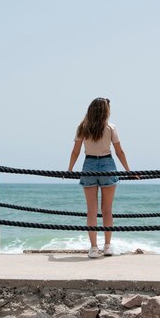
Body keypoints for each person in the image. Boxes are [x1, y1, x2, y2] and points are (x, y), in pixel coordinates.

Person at [68, 97, 134, 258]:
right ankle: (107, 246)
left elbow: (75, 151)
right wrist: (129, 171)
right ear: (105, 111)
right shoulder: (110, 127)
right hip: (107, 165)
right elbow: (120, 152)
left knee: (91, 210)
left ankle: (93, 248)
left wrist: (69, 169)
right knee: (107, 210)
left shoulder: (82, 127)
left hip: (89, 164)